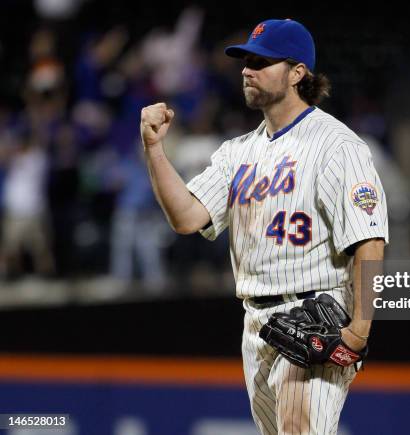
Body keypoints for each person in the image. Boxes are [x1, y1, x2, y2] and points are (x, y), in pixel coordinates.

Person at [141, 19, 388, 434]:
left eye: (261, 61)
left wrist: (358, 332)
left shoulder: (336, 146)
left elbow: (369, 241)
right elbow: (186, 218)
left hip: (317, 315)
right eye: (246, 60)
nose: (246, 69)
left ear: (297, 73)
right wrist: (154, 150)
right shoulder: (238, 152)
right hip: (255, 321)